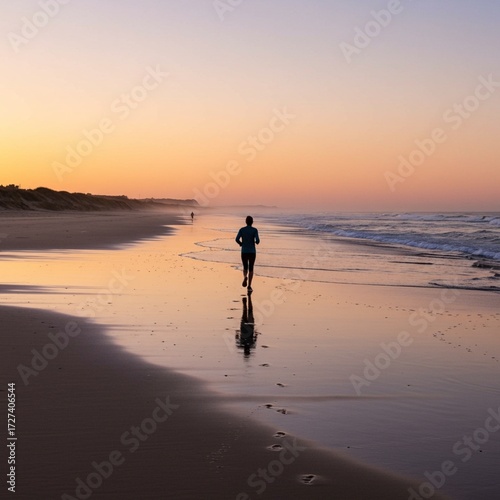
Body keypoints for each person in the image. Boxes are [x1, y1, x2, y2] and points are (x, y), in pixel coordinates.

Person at [235, 215, 260, 292]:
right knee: (251, 268)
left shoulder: (242, 230)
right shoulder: (255, 230)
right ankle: (249, 286)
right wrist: (255, 242)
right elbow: (258, 241)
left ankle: (245, 276)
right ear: (252, 222)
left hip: (244, 251)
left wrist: (241, 243)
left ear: (246, 222)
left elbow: (236, 239)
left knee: (245, 267)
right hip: (252, 251)